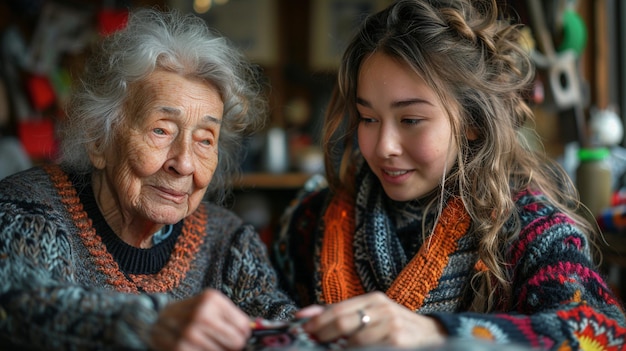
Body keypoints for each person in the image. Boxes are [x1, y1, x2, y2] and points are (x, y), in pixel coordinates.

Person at [272, 0, 626, 350]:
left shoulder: (528, 229)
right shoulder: (311, 218)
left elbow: (601, 333)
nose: (384, 147)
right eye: (368, 118)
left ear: (472, 122)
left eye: (410, 120)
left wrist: (436, 333)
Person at [0, 8, 297, 351]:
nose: (184, 163)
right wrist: (146, 324)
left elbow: (276, 324)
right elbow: (23, 304)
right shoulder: (28, 209)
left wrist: (326, 329)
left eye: (205, 140)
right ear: (100, 139)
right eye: (161, 130)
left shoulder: (227, 241)